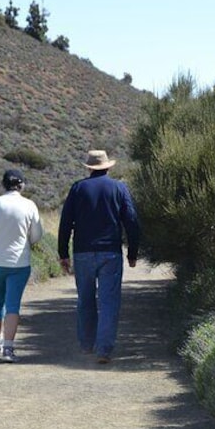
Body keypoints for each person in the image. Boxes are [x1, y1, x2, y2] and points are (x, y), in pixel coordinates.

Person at [57, 150, 140, 364]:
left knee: (85, 299)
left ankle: (86, 344)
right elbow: (131, 221)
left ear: (88, 168)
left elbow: (65, 222)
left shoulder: (78, 188)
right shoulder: (119, 188)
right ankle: (104, 349)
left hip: (82, 252)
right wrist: (132, 252)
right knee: (109, 301)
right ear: (108, 167)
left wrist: (63, 253)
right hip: (110, 253)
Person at [0, 169, 43, 363]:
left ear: (3, 184)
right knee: (13, 305)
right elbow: (37, 235)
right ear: (22, 185)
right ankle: (8, 348)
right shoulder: (29, 205)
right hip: (19, 263)